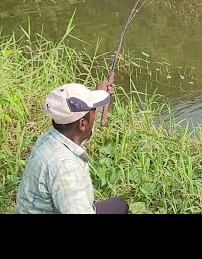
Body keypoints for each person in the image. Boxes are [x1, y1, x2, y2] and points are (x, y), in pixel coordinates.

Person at [15, 81, 129, 214]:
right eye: (93, 110)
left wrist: (96, 99)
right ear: (82, 123)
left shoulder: (50, 138)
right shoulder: (66, 168)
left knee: (119, 206)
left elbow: (80, 129)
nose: (94, 113)